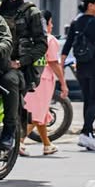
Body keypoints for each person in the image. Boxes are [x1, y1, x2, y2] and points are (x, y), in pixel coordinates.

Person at [0, 0, 47, 150]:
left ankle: (9, 131)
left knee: (10, 80)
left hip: (18, 69)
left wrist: (20, 62)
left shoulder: (32, 13)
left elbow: (42, 44)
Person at [61, 0, 95, 151]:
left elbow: (67, 44)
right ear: (91, 5)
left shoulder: (76, 22)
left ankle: (89, 133)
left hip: (81, 66)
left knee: (87, 98)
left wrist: (61, 64)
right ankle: (85, 132)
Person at [23, 9, 69, 156]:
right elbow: (54, 63)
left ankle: (47, 144)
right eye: (51, 22)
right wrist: (63, 83)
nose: (52, 25)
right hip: (44, 80)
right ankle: (20, 141)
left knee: (40, 112)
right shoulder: (50, 40)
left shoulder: (29, 38)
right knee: (37, 114)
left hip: (30, 76)